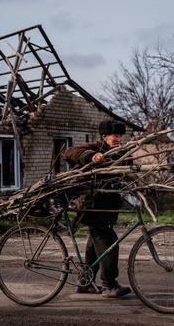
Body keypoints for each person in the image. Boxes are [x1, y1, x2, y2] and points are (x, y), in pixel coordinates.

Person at [62, 119, 132, 298]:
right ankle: (109, 285)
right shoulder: (97, 148)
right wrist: (91, 156)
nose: (118, 139)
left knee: (94, 246)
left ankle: (85, 283)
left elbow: (128, 173)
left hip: (107, 210)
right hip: (93, 207)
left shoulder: (121, 153)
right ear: (104, 136)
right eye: (114, 136)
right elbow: (70, 152)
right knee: (110, 244)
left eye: (119, 136)